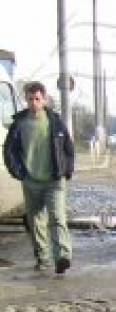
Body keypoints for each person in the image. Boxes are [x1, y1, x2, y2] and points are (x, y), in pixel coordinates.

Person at [2, 81, 75, 274]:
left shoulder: (55, 121)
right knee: (35, 222)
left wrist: (67, 169)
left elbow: (68, 148)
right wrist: (18, 172)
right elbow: (9, 151)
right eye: (30, 99)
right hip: (31, 181)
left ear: (44, 99)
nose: (34, 103)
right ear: (26, 100)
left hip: (54, 180)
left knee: (57, 217)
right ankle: (43, 258)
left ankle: (62, 257)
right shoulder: (19, 123)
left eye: (37, 99)